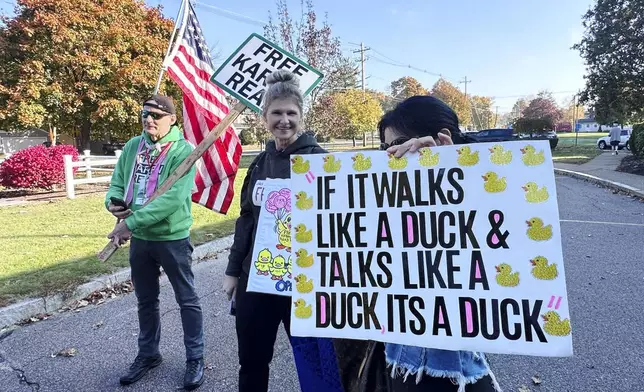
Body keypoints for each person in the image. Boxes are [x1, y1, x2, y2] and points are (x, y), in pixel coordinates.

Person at [333, 96, 501, 392]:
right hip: (397, 350)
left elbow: (488, 250)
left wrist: (449, 172)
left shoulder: (483, 186)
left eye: (401, 142)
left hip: (449, 357)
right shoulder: (382, 192)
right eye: (386, 147)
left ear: (440, 137)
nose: (393, 153)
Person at [223, 70, 343, 392]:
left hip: (304, 283)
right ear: (265, 117)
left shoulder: (321, 162)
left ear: (302, 117)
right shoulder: (259, 163)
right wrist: (234, 271)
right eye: (277, 113)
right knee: (251, 360)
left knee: (316, 363)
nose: (284, 120)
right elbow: (246, 219)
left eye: (292, 113)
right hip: (256, 280)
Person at [105, 94, 205, 390]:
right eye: (145, 114)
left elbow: (172, 201)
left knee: (187, 299)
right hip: (140, 240)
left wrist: (129, 224)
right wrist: (113, 203)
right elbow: (118, 181)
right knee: (145, 300)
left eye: (156, 115)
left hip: (171, 237)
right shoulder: (133, 147)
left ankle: (195, 358)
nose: (149, 119)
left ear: (172, 119)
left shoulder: (183, 151)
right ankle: (149, 354)